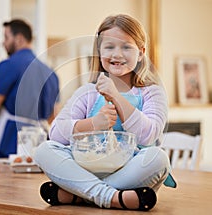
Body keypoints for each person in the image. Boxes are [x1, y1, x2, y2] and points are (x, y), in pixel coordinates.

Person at [34, 14, 174, 211]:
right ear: (99, 52)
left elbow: (148, 135)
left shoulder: (152, 92)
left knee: (158, 159)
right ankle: (111, 196)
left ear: (141, 53)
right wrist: (93, 123)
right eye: (109, 47)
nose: (117, 54)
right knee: (44, 150)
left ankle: (81, 194)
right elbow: (55, 133)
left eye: (126, 47)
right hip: (87, 168)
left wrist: (116, 96)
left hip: (129, 172)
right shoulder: (88, 92)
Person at [0, 19, 59, 158]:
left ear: (18, 39)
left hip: (9, 142)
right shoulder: (51, 73)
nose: (3, 43)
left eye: (6, 37)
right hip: (41, 143)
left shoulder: (8, 65)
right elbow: (52, 117)